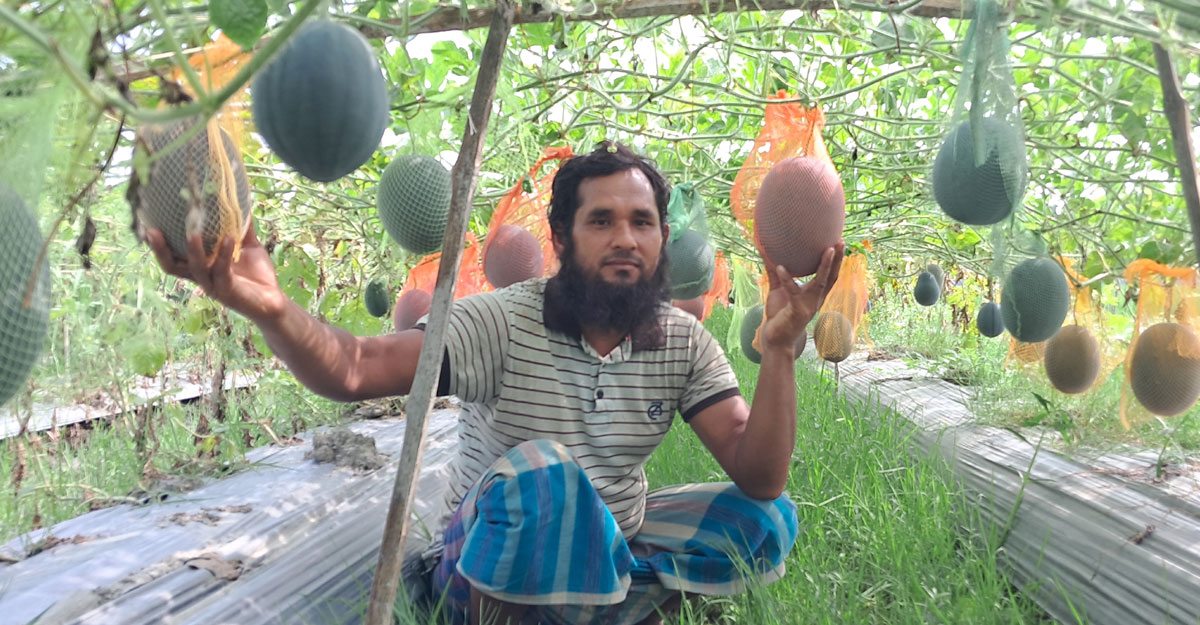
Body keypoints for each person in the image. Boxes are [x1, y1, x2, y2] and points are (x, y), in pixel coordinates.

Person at [145, 142, 844, 625]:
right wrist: (272, 308)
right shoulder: (501, 322)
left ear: (663, 240)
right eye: (601, 220)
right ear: (562, 239)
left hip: (611, 544)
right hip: (486, 565)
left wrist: (782, 349)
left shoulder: (680, 341)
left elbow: (759, 476)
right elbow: (356, 366)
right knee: (545, 477)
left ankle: (599, 606)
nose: (626, 238)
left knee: (766, 520)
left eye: (643, 222)